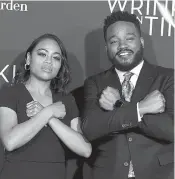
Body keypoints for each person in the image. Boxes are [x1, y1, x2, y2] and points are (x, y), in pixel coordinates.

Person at [81, 11, 174, 179]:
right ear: (106, 48)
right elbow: (90, 129)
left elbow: (171, 129)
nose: (122, 46)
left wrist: (119, 105)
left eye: (129, 39)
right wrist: (141, 109)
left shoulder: (167, 78)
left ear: (142, 42)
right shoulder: (95, 83)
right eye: (114, 41)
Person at [0, 33, 92, 179]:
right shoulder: (11, 93)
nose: (49, 61)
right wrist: (48, 112)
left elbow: (85, 149)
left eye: (56, 58)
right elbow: (10, 141)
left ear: (60, 65)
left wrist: (49, 117)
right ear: (29, 59)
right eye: (42, 54)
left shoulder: (66, 100)